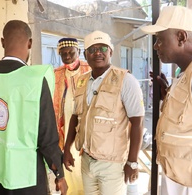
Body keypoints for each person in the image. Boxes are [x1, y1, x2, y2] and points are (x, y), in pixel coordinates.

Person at [0, 20, 67, 195]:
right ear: (30, 43)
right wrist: (60, 175)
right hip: (28, 176)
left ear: (2, 42)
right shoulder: (35, 79)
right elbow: (47, 138)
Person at [63, 30, 145, 194]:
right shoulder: (82, 81)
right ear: (85, 55)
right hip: (87, 160)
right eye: (92, 50)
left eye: (103, 48)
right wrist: (66, 149)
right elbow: (74, 117)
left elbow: (138, 122)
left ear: (111, 52)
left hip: (112, 164)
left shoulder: (126, 80)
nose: (98, 53)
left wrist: (133, 162)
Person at [141, 5, 192, 195]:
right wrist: (167, 95)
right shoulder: (182, 76)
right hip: (175, 174)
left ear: (181, 37)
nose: (155, 46)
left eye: (160, 40)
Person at [53, 38, 91, 195]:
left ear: (79, 52)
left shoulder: (90, 69)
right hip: (65, 123)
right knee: (69, 164)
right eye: (63, 54)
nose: (67, 56)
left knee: (85, 166)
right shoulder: (56, 73)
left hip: (85, 124)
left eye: (71, 53)